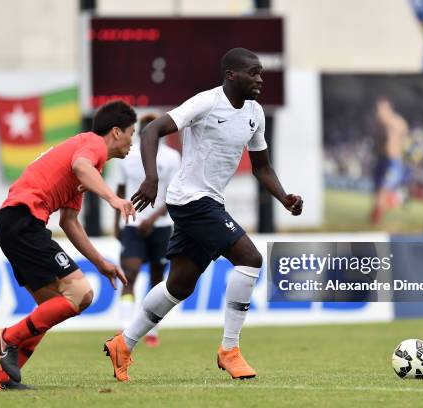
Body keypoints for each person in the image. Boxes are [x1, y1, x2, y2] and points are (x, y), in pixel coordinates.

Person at [103, 47, 303, 382]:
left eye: (261, 74)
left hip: (209, 201)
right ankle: (230, 350)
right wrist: (152, 179)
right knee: (250, 258)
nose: (259, 79)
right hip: (190, 200)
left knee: (179, 286)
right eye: (252, 73)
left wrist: (284, 198)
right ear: (230, 75)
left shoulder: (255, 113)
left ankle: (123, 343)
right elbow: (152, 131)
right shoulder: (206, 103)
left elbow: (262, 166)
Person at [0, 100, 137, 391]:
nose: (133, 140)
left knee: (50, 304)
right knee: (81, 294)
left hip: (13, 222)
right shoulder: (91, 145)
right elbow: (81, 166)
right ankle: (8, 338)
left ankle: (1, 381)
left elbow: (69, 221)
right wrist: (114, 199)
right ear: (116, 132)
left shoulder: (90, 163)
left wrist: (100, 263)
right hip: (23, 220)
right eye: (132, 132)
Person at [113, 113, 181, 347]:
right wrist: (117, 221)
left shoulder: (172, 157)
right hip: (132, 224)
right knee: (129, 274)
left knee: (156, 280)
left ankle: (152, 331)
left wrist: (151, 219)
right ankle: (123, 326)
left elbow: (173, 195)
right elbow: (120, 188)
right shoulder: (127, 154)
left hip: (161, 227)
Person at [370, 96, 409, 224]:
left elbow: (406, 138)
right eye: (377, 109)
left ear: (388, 109)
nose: (378, 112)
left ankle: (396, 199)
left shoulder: (397, 122)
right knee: (377, 197)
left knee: (382, 192)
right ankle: (394, 199)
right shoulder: (377, 124)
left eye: (381, 109)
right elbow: (376, 144)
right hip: (381, 161)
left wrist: (403, 150)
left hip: (393, 163)